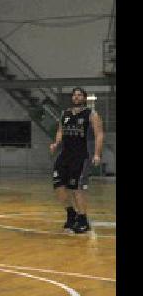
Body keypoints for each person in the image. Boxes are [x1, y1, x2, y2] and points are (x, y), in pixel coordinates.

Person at [49, 87, 104, 234]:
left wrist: (97, 154)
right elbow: (60, 131)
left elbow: (99, 134)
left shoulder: (91, 114)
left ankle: (83, 219)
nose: (76, 97)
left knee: (77, 188)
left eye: (80, 95)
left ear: (84, 98)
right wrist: (56, 143)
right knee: (58, 185)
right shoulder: (65, 114)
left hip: (81, 156)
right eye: (74, 95)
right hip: (64, 155)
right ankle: (71, 213)